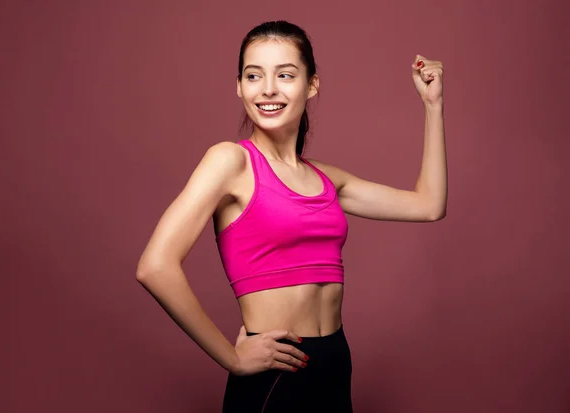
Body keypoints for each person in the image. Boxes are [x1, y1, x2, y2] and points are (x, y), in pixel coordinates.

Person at [136, 20, 447, 413]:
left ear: (311, 84)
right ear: (239, 86)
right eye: (253, 75)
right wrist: (231, 358)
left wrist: (433, 107)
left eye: (285, 75)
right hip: (277, 373)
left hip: (335, 362)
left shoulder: (325, 179)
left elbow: (429, 205)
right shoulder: (231, 161)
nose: (268, 89)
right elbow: (155, 266)